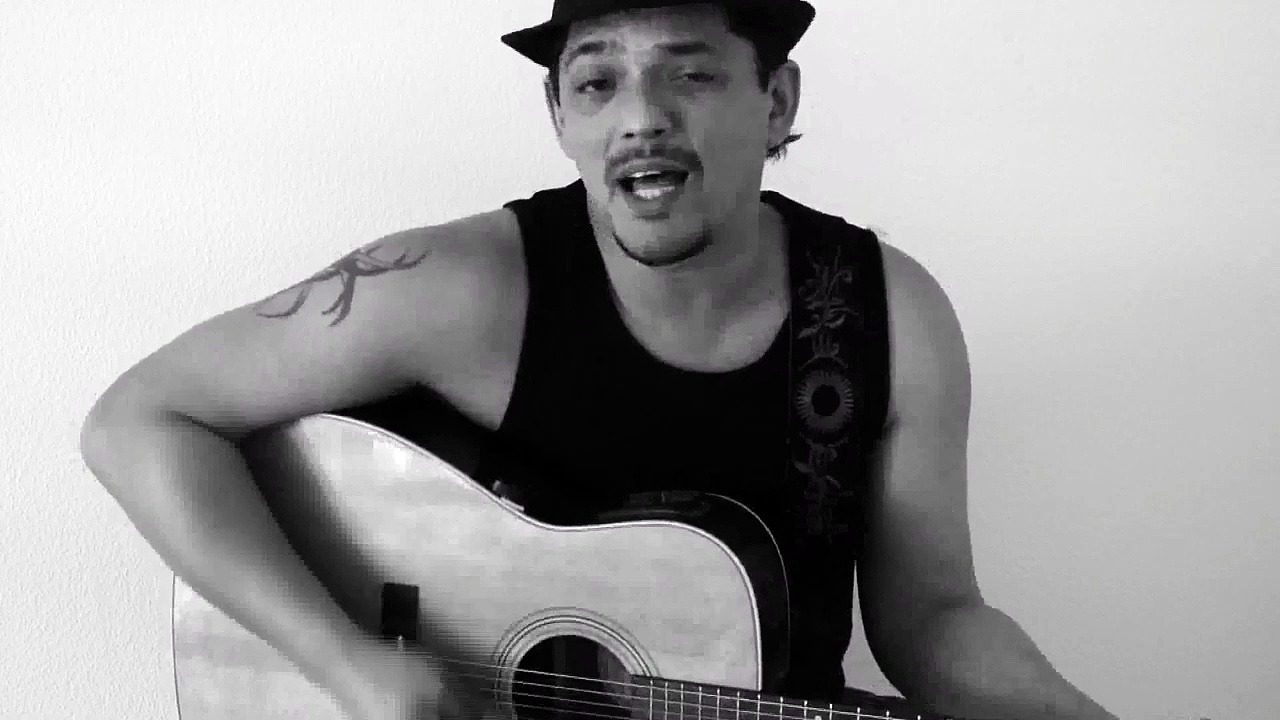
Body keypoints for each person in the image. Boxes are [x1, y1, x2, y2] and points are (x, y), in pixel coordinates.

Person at [79, 1, 1121, 719]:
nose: (641, 118)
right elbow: (139, 422)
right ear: (559, 117)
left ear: (777, 101)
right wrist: (347, 665)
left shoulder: (889, 317)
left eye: (690, 73)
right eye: (597, 81)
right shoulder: (459, 286)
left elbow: (932, 619)